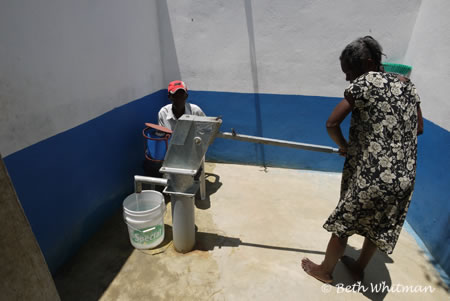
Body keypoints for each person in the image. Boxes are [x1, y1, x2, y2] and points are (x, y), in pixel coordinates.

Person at [301, 36, 424, 284]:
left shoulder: (365, 82)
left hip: (372, 175)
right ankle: (358, 268)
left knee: (344, 223)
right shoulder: (407, 86)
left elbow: (332, 123)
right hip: (403, 178)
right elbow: (418, 128)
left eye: (350, 72)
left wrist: (345, 146)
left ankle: (325, 271)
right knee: (378, 226)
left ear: (368, 63)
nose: (348, 79)